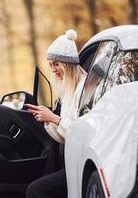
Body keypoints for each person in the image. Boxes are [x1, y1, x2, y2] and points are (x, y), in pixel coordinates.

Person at [25, 29, 87, 198]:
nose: (52, 70)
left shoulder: (84, 88)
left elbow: (82, 133)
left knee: (35, 190)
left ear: (67, 64)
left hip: (84, 162)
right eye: (50, 65)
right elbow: (62, 137)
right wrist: (47, 119)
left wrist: (54, 118)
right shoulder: (67, 91)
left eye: (55, 64)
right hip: (73, 161)